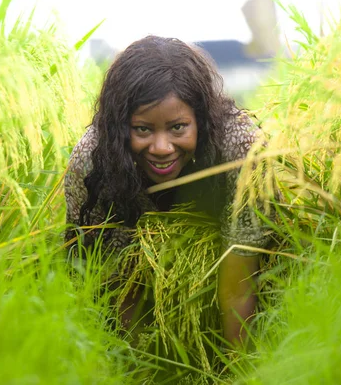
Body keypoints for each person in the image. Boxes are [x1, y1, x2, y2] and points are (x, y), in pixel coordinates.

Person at [64, 35, 270, 348]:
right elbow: (114, 284)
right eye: (143, 129)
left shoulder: (242, 152)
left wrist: (239, 373)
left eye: (178, 128)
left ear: (200, 121)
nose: (162, 148)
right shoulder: (93, 161)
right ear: (121, 127)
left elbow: (238, 288)